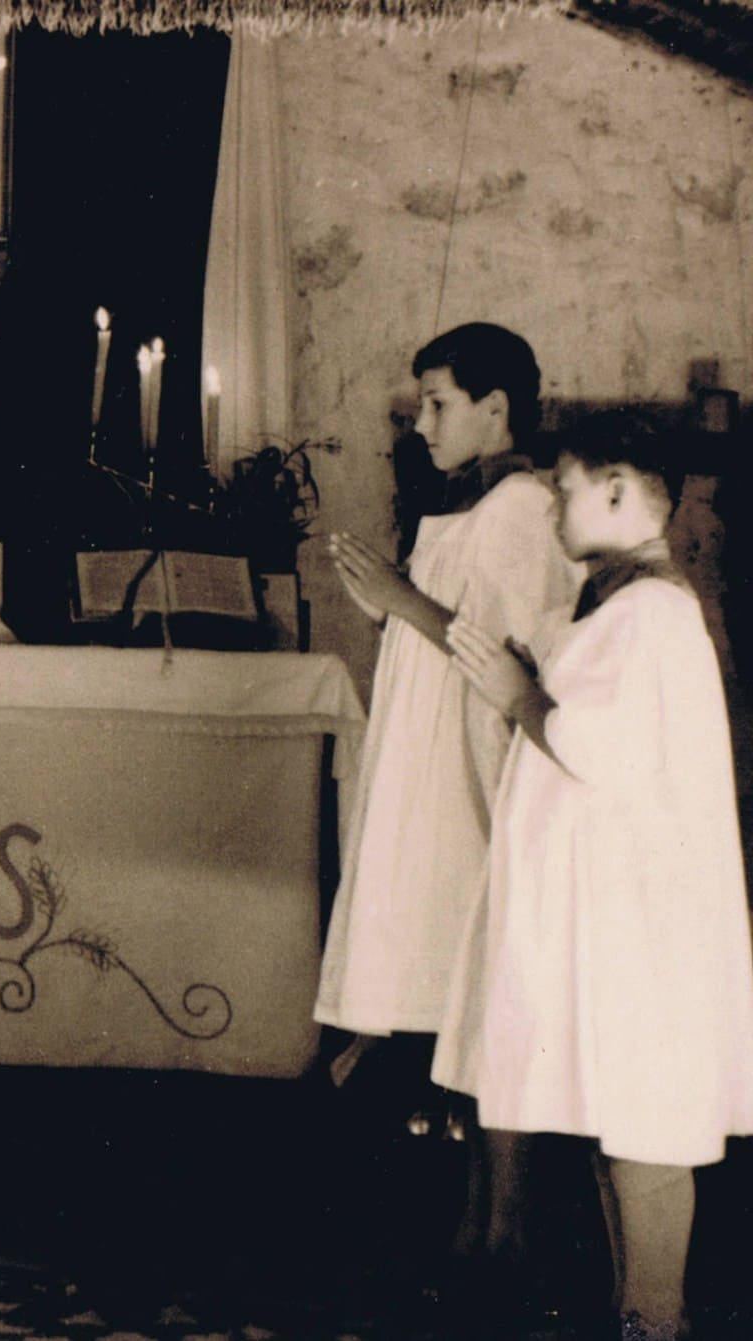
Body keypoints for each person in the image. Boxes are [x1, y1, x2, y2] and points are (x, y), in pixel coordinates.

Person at [433, 410, 753, 1341]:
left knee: (649, 1122)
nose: (553, 509)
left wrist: (518, 691)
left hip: (648, 914)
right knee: (625, 1122)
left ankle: (657, 1318)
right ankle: (638, 1315)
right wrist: (524, 682)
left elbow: (592, 745)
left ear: (617, 488)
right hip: (617, 904)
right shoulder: (618, 598)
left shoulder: (651, 608)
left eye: (566, 488)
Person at [312, 323, 582, 1264]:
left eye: (439, 402)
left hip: (476, 785)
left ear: (495, 408)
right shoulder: (466, 505)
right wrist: (392, 596)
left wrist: (399, 598)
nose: (421, 420)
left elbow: (507, 656)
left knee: (494, 1009)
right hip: (429, 779)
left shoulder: (523, 508)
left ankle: (506, 1234)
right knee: (464, 1016)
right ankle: (479, 1230)